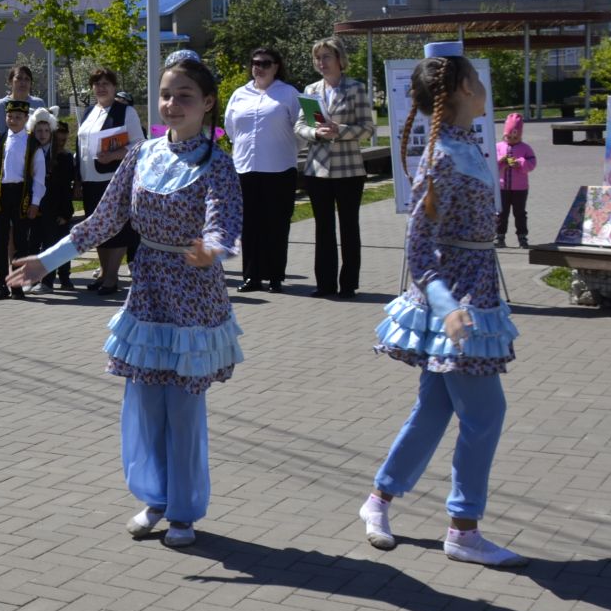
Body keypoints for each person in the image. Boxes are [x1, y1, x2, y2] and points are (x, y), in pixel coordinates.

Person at [8, 50, 243, 548]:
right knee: (145, 405)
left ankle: (183, 510)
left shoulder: (218, 164)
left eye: (184, 96)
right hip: (148, 294)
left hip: (192, 300)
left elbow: (223, 222)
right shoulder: (142, 155)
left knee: (182, 411)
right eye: (165, 95)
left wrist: (213, 249)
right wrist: (43, 262)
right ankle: (155, 498)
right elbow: (101, 222)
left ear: (207, 103)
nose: (172, 104)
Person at [359, 44, 525, 567]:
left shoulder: (468, 145)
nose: (483, 90)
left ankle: (378, 499)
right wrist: (448, 305)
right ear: (458, 92)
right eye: (477, 81)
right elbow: (418, 248)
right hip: (458, 303)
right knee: (485, 413)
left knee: (435, 409)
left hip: (472, 291)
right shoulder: (444, 157)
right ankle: (463, 528)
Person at [295, 37, 375, 298]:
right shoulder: (311, 90)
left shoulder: (356, 88)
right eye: (318, 58)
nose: (321, 63)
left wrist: (340, 130)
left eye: (326, 57)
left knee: (349, 227)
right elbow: (299, 126)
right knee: (323, 228)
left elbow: (367, 128)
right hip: (317, 170)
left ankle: (349, 283)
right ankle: (325, 284)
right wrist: (315, 133)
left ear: (340, 59)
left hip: (349, 170)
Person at [224, 46, 301, 293]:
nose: (259, 67)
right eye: (255, 62)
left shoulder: (289, 94)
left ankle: (276, 276)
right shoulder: (239, 94)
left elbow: (301, 129)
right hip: (246, 169)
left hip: (279, 168)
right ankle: (252, 276)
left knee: (276, 225)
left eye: (265, 63)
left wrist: (284, 147)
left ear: (276, 66)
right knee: (250, 226)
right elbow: (230, 129)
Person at [74, 68, 143, 294]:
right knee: (98, 230)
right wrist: (78, 180)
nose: (101, 87)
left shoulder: (126, 112)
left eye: (106, 83)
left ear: (114, 87)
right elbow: (81, 146)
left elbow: (139, 145)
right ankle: (104, 274)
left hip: (113, 180)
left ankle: (112, 279)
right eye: (97, 83)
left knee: (117, 230)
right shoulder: (88, 112)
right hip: (90, 180)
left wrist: (114, 155)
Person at [0, 100, 46, 301]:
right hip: (1, 195)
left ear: (26, 119)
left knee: (21, 242)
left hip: (22, 196)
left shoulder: (32, 144)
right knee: (0, 241)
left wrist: (35, 202)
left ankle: (17, 285)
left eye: (18, 117)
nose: (13, 120)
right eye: (10, 116)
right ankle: (1, 283)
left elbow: (38, 176)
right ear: (6, 118)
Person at [38, 119, 79, 291]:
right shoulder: (44, 157)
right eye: (58, 140)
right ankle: (47, 280)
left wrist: (66, 213)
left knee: (64, 244)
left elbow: (66, 187)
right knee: (48, 244)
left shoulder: (68, 158)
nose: (61, 144)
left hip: (63, 207)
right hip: (47, 208)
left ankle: (65, 277)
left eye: (64, 140)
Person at [494, 113, 536, 248]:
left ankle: (522, 237)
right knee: (501, 213)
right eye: (509, 136)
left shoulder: (525, 148)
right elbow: (490, 161)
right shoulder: (498, 146)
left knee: (520, 213)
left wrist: (520, 163)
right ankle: (499, 236)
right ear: (504, 134)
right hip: (502, 187)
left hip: (520, 188)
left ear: (520, 135)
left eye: (515, 137)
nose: (512, 139)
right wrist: (500, 160)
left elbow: (532, 162)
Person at [0, 62, 46, 133]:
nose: (23, 82)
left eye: (27, 79)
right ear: (10, 81)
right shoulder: (1, 104)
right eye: (19, 78)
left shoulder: (39, 103)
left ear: (31, 83)